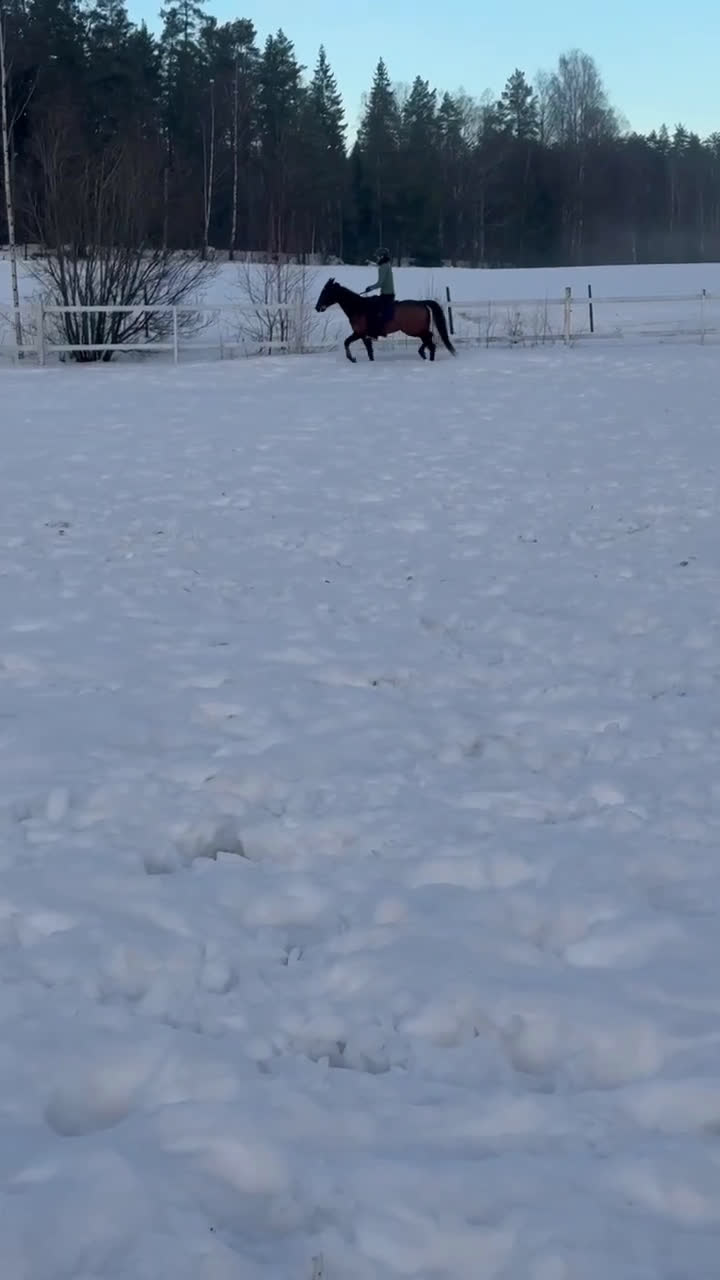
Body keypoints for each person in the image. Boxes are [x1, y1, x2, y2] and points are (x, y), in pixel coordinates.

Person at [363, 248, 395, 338]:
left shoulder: (383, 267)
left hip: (386, 295)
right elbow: (378, 265)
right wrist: (371, 263)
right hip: (388, 294)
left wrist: (370, 288)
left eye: (377, 257)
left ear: (381, 257)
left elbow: (380, 283)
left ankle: (376, 333)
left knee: (373, 311)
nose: (377, 258)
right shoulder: (386, 264)